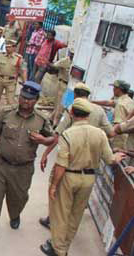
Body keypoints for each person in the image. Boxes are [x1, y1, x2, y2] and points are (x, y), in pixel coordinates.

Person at [40, 99, 125, 256]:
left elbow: (61, 165)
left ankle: (58, 250)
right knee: (75, 215)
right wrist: (118, 157)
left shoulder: (68, 134)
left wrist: (53, 185)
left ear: (72, 113)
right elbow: (110, 159)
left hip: (69, 177)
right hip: (88, 179)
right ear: (88, 114)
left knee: (60, 214)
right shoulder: (99, 133)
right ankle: (64, 245)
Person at [0, 81, 55, 245]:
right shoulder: (6, 112)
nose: (26, 102)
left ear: (36, 100)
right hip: (0, 163)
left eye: (30, 99)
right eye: (23, 98)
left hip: (23, 169)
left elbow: (53, 139)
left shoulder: (41, 120)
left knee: (19, 198)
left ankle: (15, 213)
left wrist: (43, 139)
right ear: (19, 97)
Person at [38, 82, 114, 230]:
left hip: (68, 162)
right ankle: (67, 230)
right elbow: (111, 133)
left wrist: (45, 154)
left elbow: (57, 134)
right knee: (78, 203)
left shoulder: (73, 110)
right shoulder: (99, 111)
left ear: (76, 95)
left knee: (57, 192)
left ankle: (52, 221)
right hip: (90, 167)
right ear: (88, 95)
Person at [92, 80, 134, 149]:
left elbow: (117, 126)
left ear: (118, 89)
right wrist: (92, 101)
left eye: (114, 88)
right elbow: (108, 103)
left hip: (119, 140)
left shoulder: (120, 105)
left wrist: (103, 136)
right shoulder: (129, 101)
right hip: (128, 137)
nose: (113, 90)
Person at [50, 49, 74, 124]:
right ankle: (55, 122)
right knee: (60, 105)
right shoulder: (65, 61)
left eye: (73, 54)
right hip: (63, 84)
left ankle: (51, 118)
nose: (72, 55)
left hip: (70, 87)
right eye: (71, 54)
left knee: (64, 106)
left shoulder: (75, 62)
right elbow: (55, 65)